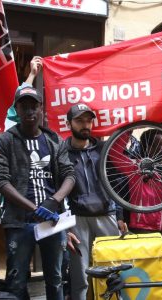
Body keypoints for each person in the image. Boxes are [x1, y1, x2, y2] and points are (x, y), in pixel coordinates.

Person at [0, 86, 76, 300]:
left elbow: (70, 175)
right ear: (16, 109)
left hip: (52, 223)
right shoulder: (4, 140)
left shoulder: (54, 140)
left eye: (34, 106)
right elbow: (0, 180)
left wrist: (54, 202)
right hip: (19, 223)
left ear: (40, 108)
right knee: (16, 280)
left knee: (56, 278)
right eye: (24, 106)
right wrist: (35, 208)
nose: (30, 111)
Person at [63, 104, 127, 300]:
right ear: (69, 123)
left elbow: (115, 183)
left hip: (106, 215)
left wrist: (120, 215)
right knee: (80, 277)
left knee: (114, 272)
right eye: (79, 120)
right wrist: (64, 228)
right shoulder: (61, 152)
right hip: (77, 221)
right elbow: (57, 191)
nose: (85, 125)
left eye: (88, 120)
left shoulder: (102, 149)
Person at [109, 129, 162, 247]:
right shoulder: (136, 169)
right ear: (149, 148)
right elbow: (114, 153)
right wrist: (127, 131)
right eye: (161, 144)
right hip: (143, 229)